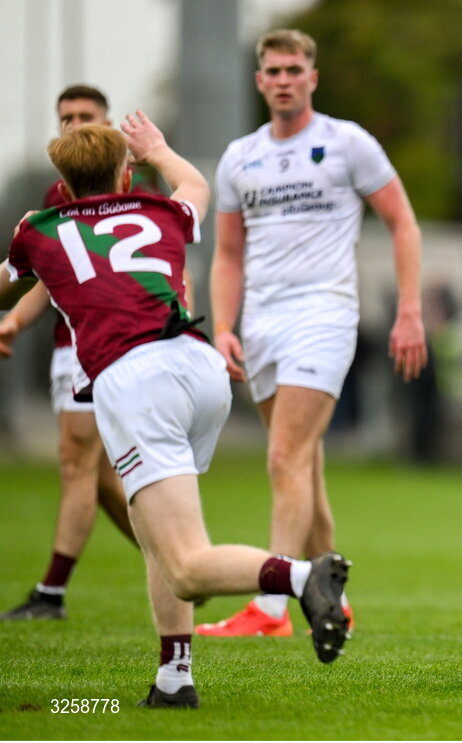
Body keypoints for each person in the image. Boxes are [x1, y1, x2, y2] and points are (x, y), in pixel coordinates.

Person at [1, 115, 350, 708]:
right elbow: (198, 187)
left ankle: (300, 577)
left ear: (62, 183)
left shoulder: (38, 227)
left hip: (137, 381)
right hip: (197, 364)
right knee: (154, 530)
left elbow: (10, 284)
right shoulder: (158, 209)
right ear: (126, 173)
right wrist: (160, 148)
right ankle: (174, 676)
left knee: (186, 564)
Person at [202, 29, 427, 637]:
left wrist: (409, 310)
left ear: (312, 77)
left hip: (324, 314)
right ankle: (335, 596)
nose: (282, 79)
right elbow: (226, 256)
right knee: (304, 466)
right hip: (262, 325)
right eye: (272, 70)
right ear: (259, 81)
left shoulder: (346, 143)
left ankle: (272, 608)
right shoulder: (239, 157)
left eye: (293, 69)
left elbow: (403, 222)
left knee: (283, 456)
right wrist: (222, 326)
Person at [0, 85, 144, 622]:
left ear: (108, 124)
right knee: (100, 477)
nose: (74, 124)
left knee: (80, 464)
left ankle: (52, 593)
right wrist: (14, 318)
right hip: (73, 345)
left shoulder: (135, 186)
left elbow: (175, 268)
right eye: (66, 117)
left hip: (118, 347)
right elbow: (44, 275)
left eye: (86, 116)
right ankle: (181, 563)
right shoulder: (58, 196)